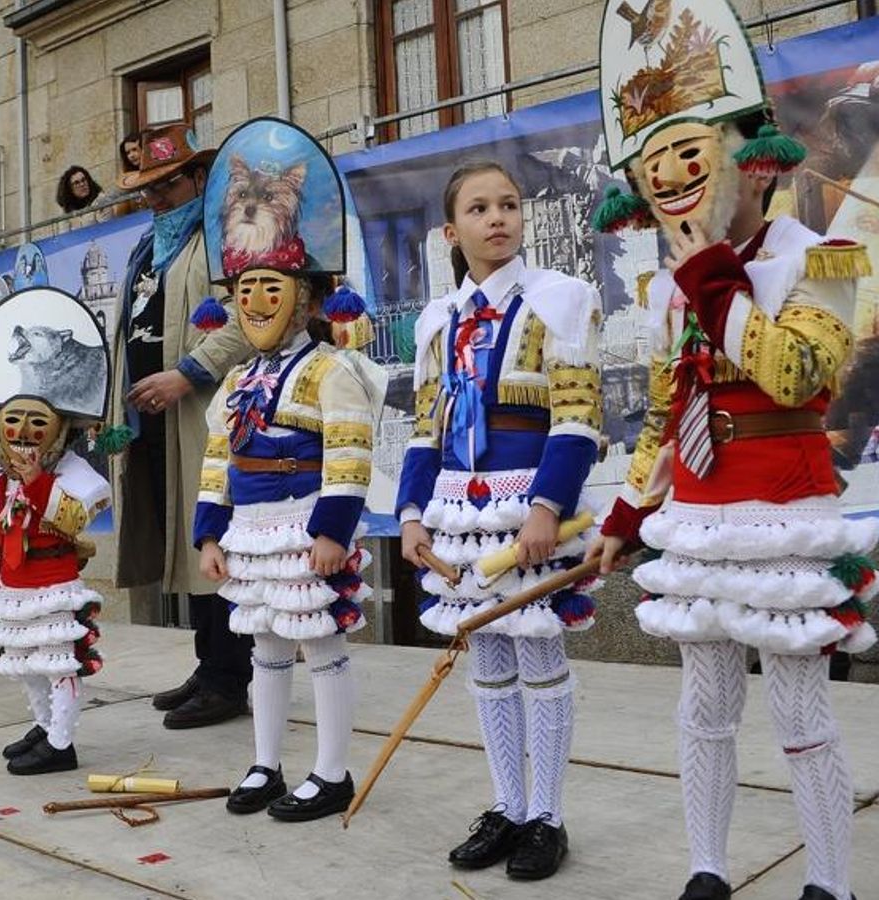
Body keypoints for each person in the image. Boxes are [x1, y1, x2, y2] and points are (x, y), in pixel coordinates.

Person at [588, 2, 879, 897]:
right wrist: (627, 514)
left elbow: (796, 375)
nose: (672, 177)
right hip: (700, 520)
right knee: (705, 705)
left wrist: (712, 274)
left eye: (691, 154)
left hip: (786, 515)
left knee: (799, 710)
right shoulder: (674, 286)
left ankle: (830, 880)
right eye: (656, 164)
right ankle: (707, 869)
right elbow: (666, 417)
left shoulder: (822, 256)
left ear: (754, 162)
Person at [397, 161, 603, 880]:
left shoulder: (562, 300)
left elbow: (577, 418)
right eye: (480, 208)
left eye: (509, 204)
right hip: (457, 510)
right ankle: (507, 806)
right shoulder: (435, 322)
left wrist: (548, 507)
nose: (499, 218)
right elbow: (426, 430)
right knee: (485, 657)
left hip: (528, 504)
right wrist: (413, 515)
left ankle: (547, 815)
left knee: (540, 655)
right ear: (453, 231)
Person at [191, 117, 383, 822]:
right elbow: (219, 457)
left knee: (320, 641)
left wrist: (334, 528)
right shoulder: (236, 379)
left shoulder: (332, 368)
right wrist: (210, 532)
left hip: (306, 526)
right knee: (266, 645)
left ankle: (331, 771)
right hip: (251, 530)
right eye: (247, 291)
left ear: (305, 299)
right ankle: (266, 762)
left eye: (273, 289)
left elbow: (350, 454)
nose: (257, 302)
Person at [111, 123, 255, 729]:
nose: (156, 197)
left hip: (204, 414)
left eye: (167, 183)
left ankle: (230, 679)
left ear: (200, 177)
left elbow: (254, 317)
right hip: (154, 424)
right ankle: (209, 663)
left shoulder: (228, 235)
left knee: (211, 541)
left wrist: (187, 372)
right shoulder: (150, 246)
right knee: (181, 544)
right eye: (147, 187)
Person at [0, 289, 114, 776]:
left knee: (58, 662)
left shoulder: (76, 475)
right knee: (25, 662)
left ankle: (62, 742)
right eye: (13, 422)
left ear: (59, 427)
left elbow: (72, 517)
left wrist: (36, 479)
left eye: (36, 423)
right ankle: (45, 728)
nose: (23, 433)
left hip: (54, 585)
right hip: (15, 588)